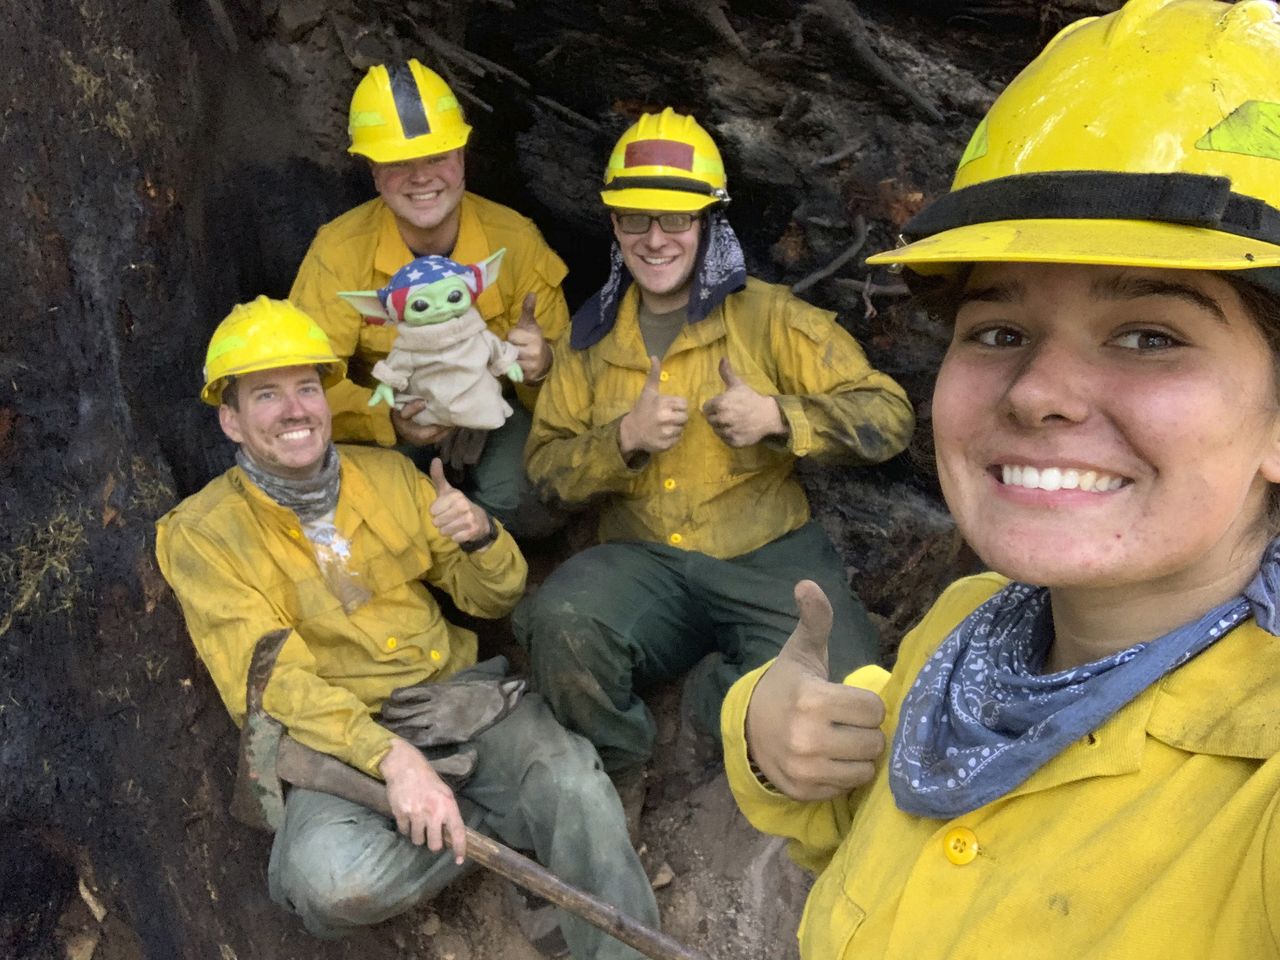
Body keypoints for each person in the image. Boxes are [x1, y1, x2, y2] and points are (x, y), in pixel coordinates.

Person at [722, 0, 1280, 956]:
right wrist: (767, 737)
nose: (1039, 392)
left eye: (1150, 336)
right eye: (999, 331)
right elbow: (870, 835)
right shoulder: (964, 631)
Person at [155, 297, 658, 958]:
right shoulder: (201, 536)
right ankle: (509, 823)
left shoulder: (390, 476)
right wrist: (393, 760)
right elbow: (275, 682)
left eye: (307, 388)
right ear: (232, 420)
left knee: (577, 790)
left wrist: (481, 537)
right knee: (331, 886)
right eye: (266, 395)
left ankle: (590, 906)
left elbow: (493, 596)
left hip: (461, 702)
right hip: (341, 744)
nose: (296, 410)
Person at [515, 108, 916, 778]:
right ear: (614, 225)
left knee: (846, 701)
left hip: (768, 557)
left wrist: (779, 417)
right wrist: (623, 440)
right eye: (635, 218)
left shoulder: (768, 317)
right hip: (643, 563)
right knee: (561, 622)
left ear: (707, 222)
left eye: (676, 218)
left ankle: (704, 708)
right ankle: (623, 761)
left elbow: (890, 416)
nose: (655, 238)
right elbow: (541, 483)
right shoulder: (589, 341)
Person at [289, 58, 569, 539]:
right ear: (374, 171)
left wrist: (541, 366)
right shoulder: (339, 253)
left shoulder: (515, 241)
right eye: (399, 163)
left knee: (532, 498)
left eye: (438, 157)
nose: (422, 177)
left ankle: (488, 562)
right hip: (395, 425)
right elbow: (299, 386)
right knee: (367, 509)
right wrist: (390, 419)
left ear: (462, 157)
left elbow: (574, 391)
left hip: (493, 413)